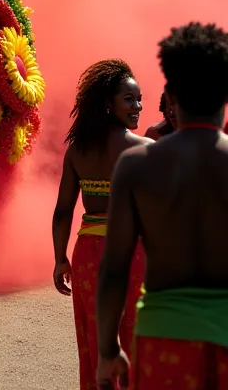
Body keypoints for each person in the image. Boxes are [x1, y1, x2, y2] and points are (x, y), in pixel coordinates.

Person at [97, 23, 228, 390]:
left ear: (170, 95)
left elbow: (113, 269)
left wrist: (108, 349)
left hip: (163, 338)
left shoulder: (138, 165)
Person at [52, 59, 151, 390]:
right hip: (133, 255)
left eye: (139, 99)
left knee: (95, 340)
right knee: (137, 339)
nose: (137, 106)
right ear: (108, 103)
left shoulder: (77, 152)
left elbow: (63, 211)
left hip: (87, 257)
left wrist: (60, 259)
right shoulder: (145, 150)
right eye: (129, 99)